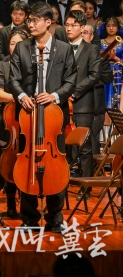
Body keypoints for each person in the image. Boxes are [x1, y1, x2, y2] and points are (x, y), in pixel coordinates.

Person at [9, 1, 76, 233]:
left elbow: (71, 80)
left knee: (57, 165)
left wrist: (55, 96)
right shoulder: (22, 47)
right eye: (29, 20)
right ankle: (29, 218)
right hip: (28, 115)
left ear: (48, 22)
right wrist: (21, 97)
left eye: (35, 20)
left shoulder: (63, 49)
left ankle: (55, 218)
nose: (30, 24)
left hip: (54, 117)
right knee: (26, 163)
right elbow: (13, 79)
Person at [0, 29, 29, 218]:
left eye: (18, 43)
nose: (15, 47)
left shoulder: (32, 63)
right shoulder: (2, 64)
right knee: (8, 160)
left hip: (29, 118)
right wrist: (19, 98)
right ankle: (10, 205)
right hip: (9, 120)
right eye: (12, 43)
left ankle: (28, 204)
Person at [62, 10, 102, 180]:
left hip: (82, 104)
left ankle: (86, 186)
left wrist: (73, 92)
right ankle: (62, 182)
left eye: (73, 25)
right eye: (67, 25)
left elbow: (94, 75)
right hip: (61, 103)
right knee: (63, 146)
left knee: (84, 147)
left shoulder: (92, 49)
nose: (69, 28)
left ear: (82, 27)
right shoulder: (60, 47)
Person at [98, 16, 123, 109]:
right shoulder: (100, 43)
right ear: (105, 28)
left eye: (114, 25)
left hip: (118, 73)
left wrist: (115, 58)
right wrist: (106, 59)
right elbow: (96, 59)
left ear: (118, 28)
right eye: (108, 26)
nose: (111, 28)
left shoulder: (122, 43)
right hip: (104, 71)